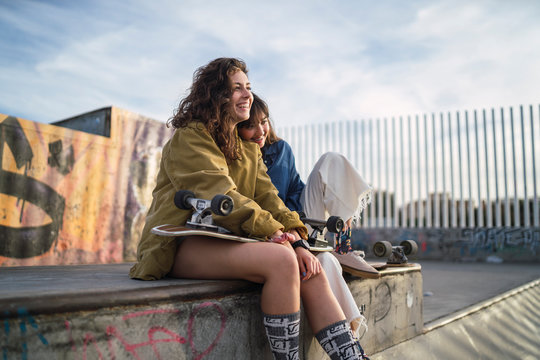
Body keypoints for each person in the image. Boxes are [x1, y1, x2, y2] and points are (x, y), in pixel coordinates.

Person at [129, 58, 367, 360]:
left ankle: (354, 357)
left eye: (248, 87)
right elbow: (220, 193)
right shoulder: (190, 137)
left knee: (311, 267)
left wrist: (299, 240)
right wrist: (279, 237)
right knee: (283, 260)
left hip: (227, 240)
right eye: (237, 88)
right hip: (180, 242)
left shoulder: (248, 149)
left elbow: (270, 199)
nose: (247, 95)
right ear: (217, 95)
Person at [238, 93, 377, 347]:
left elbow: (295, 187)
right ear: (238, 127)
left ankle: (343, 245)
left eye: (264, 122)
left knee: (331, 159)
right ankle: (352, 344)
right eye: (250, 125)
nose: (260, 131)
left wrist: (296, 222)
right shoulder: (240, 158)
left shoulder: (281, 149)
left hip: (298, 222)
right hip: (269, 234)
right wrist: (282, 228)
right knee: (325, 263)